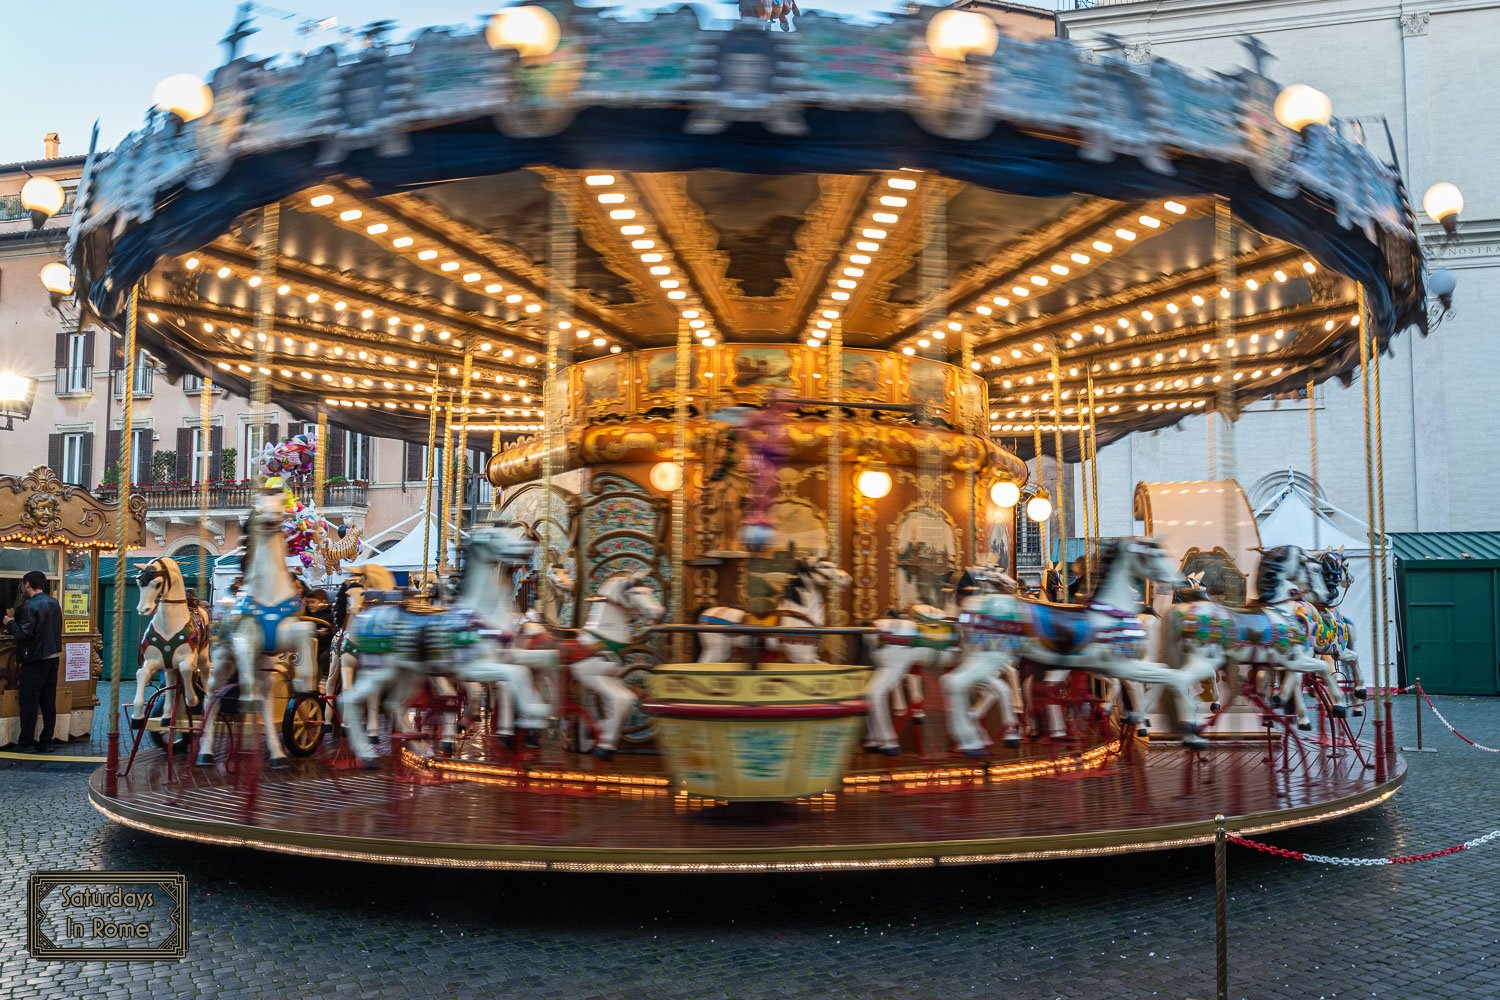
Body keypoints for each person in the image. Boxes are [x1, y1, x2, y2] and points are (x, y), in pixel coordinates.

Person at [4, 571, 64, 753]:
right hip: (52, 658)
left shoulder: (29, 606)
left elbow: (24, 633)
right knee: (48, 701)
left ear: (27, 584)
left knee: (29, 701)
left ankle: (26, 742)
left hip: (34, 659)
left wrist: (9, 622)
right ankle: (46, 741)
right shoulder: (54, 603)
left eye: (23, 584)